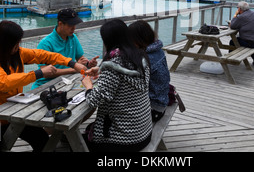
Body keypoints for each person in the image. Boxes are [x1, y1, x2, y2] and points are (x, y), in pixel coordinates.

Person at [0, 20, 87, 152]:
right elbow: (3, 82)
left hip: (15, 115)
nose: (18, 46)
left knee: (44, 142)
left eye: (18, 42)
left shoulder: (17, 53)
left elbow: (43, 55)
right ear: (5, 43)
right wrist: (38, 73)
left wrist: (72, 63)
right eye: (15, 43)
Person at [81, 19, 152, 152]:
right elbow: (124, 73)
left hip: (123, 141)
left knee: (75, 141)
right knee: (86, 130)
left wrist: (88, 85)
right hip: (143, 133)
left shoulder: (113, 65)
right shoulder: (141, 57)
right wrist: (101, 69)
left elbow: (93, 100)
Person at [31, 8, 98, 89]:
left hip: (66, 82)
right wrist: (74, 69)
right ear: (60, 24)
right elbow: (44, 72)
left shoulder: (73, 38)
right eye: (70, 25)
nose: (74, 28)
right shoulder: (46, 43)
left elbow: (80, 58)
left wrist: (88, 64)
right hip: (45, 86)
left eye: (75, 25)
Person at [128, 20, 170, 122]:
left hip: (153, 108)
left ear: (138, 39)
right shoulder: (157, 49)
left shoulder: (145, 58)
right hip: (162, 101)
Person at [229, 1, 254, 66]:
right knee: (248, 41)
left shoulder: (242, 16)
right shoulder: (253, 13)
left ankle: (230, 59)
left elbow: (232, 26)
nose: (237, 9)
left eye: (237, 8)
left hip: (253, 42)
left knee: (233, 41)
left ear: (240, 9)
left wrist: (235, 15)